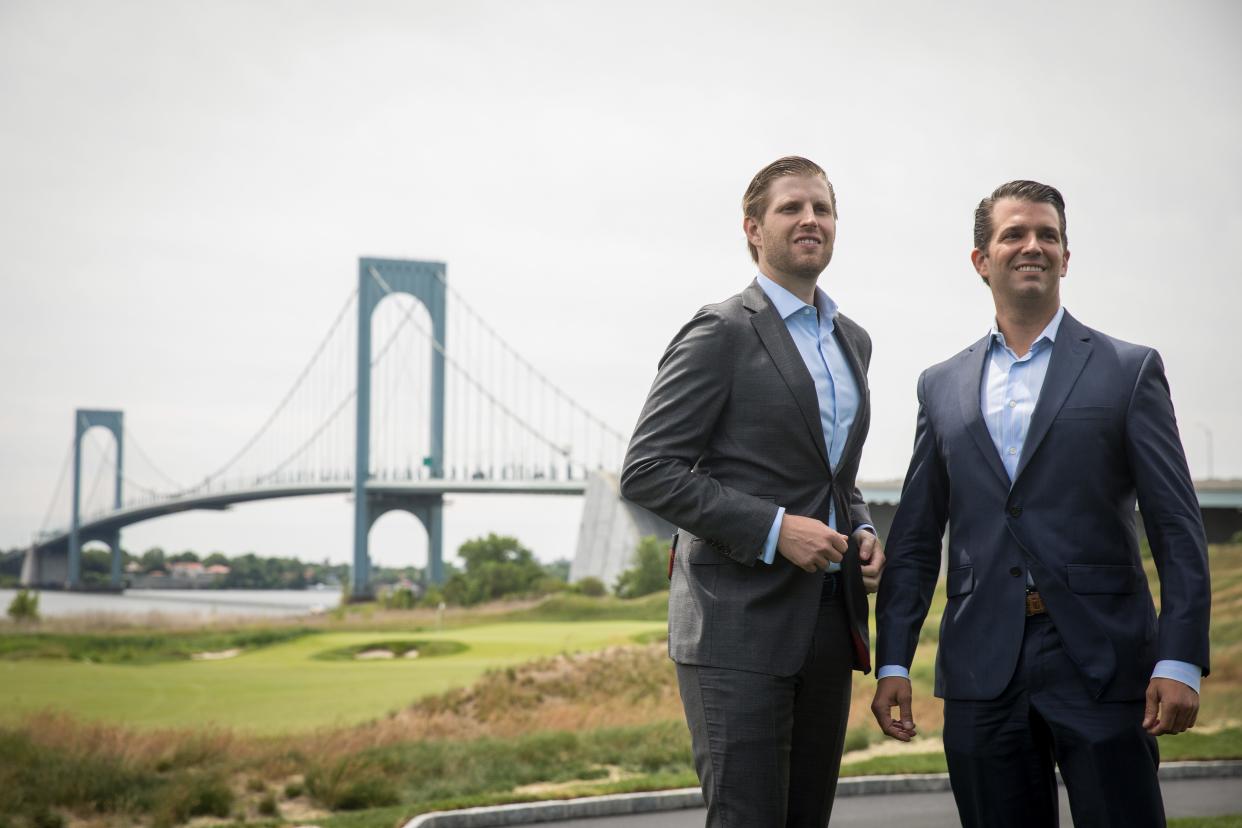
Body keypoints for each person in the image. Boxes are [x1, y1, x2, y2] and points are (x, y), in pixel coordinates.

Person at [871, 180, 1211, 827]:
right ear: (981, 260)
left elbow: (1177, 529)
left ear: (1065, 256)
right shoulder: (940, 386)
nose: (1033, 246)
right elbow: (916, 539)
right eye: (1014, 234)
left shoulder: (1128, 369)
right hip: (980, 666)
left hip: (1105, 663)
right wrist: (894, 659)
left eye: (1047, 235)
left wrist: (1180, 659)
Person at [620, 156, 884, 827]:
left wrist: (863, 529)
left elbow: (835, 478)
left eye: (822, 209)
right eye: (791, 209)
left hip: (827, 623)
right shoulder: (720, 332)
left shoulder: (854, 341)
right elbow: (648, 469)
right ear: (753, 229)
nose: (810, 221)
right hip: (733, 626)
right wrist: (774, 529)